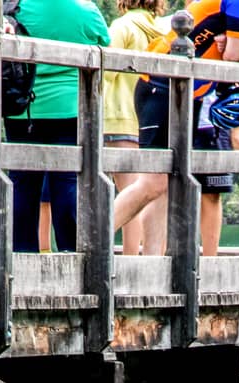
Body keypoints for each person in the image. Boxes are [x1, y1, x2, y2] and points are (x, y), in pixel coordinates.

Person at [112, 0, 239, 256]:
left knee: (165, 183)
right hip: (161, 85)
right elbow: (234, 55)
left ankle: (152, 265)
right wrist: (237, 45)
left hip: (192, 92)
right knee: (153, 182)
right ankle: (94, 237)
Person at [4, 0, 110, 253]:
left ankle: (20, 257)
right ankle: (72, 254)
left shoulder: (16, 8)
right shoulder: (86, 10)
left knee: (22, 184)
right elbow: (104, 43)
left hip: (24, 107)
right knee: (67, 181)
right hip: (71, 106)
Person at [105, 0, 162, 254]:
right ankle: (148, 256)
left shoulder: (122, 26)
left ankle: (129, 259)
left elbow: (105, 73)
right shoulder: (161, 30)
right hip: (149, 121)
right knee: (146, 194)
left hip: (120, 116)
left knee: (130, 194)